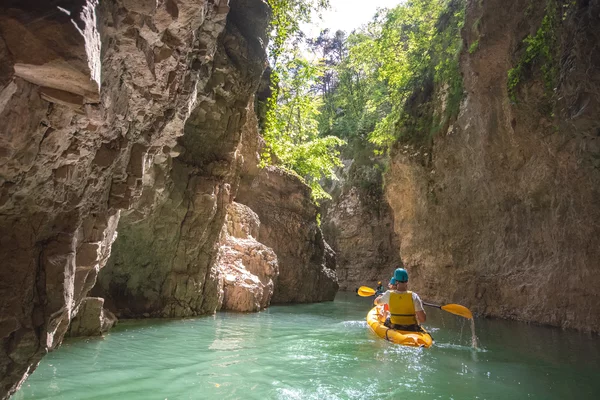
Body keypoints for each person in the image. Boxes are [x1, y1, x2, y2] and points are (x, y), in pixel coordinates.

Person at [374, 268, 426, 332]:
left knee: (387, 315)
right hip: (411, 327)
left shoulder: (388, 294)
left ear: (396, 281)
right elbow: (423, 319)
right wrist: (419, 303)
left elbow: (376, 302)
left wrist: (380, 296)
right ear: (407, 281)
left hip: (394, 326)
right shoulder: (414, 296)